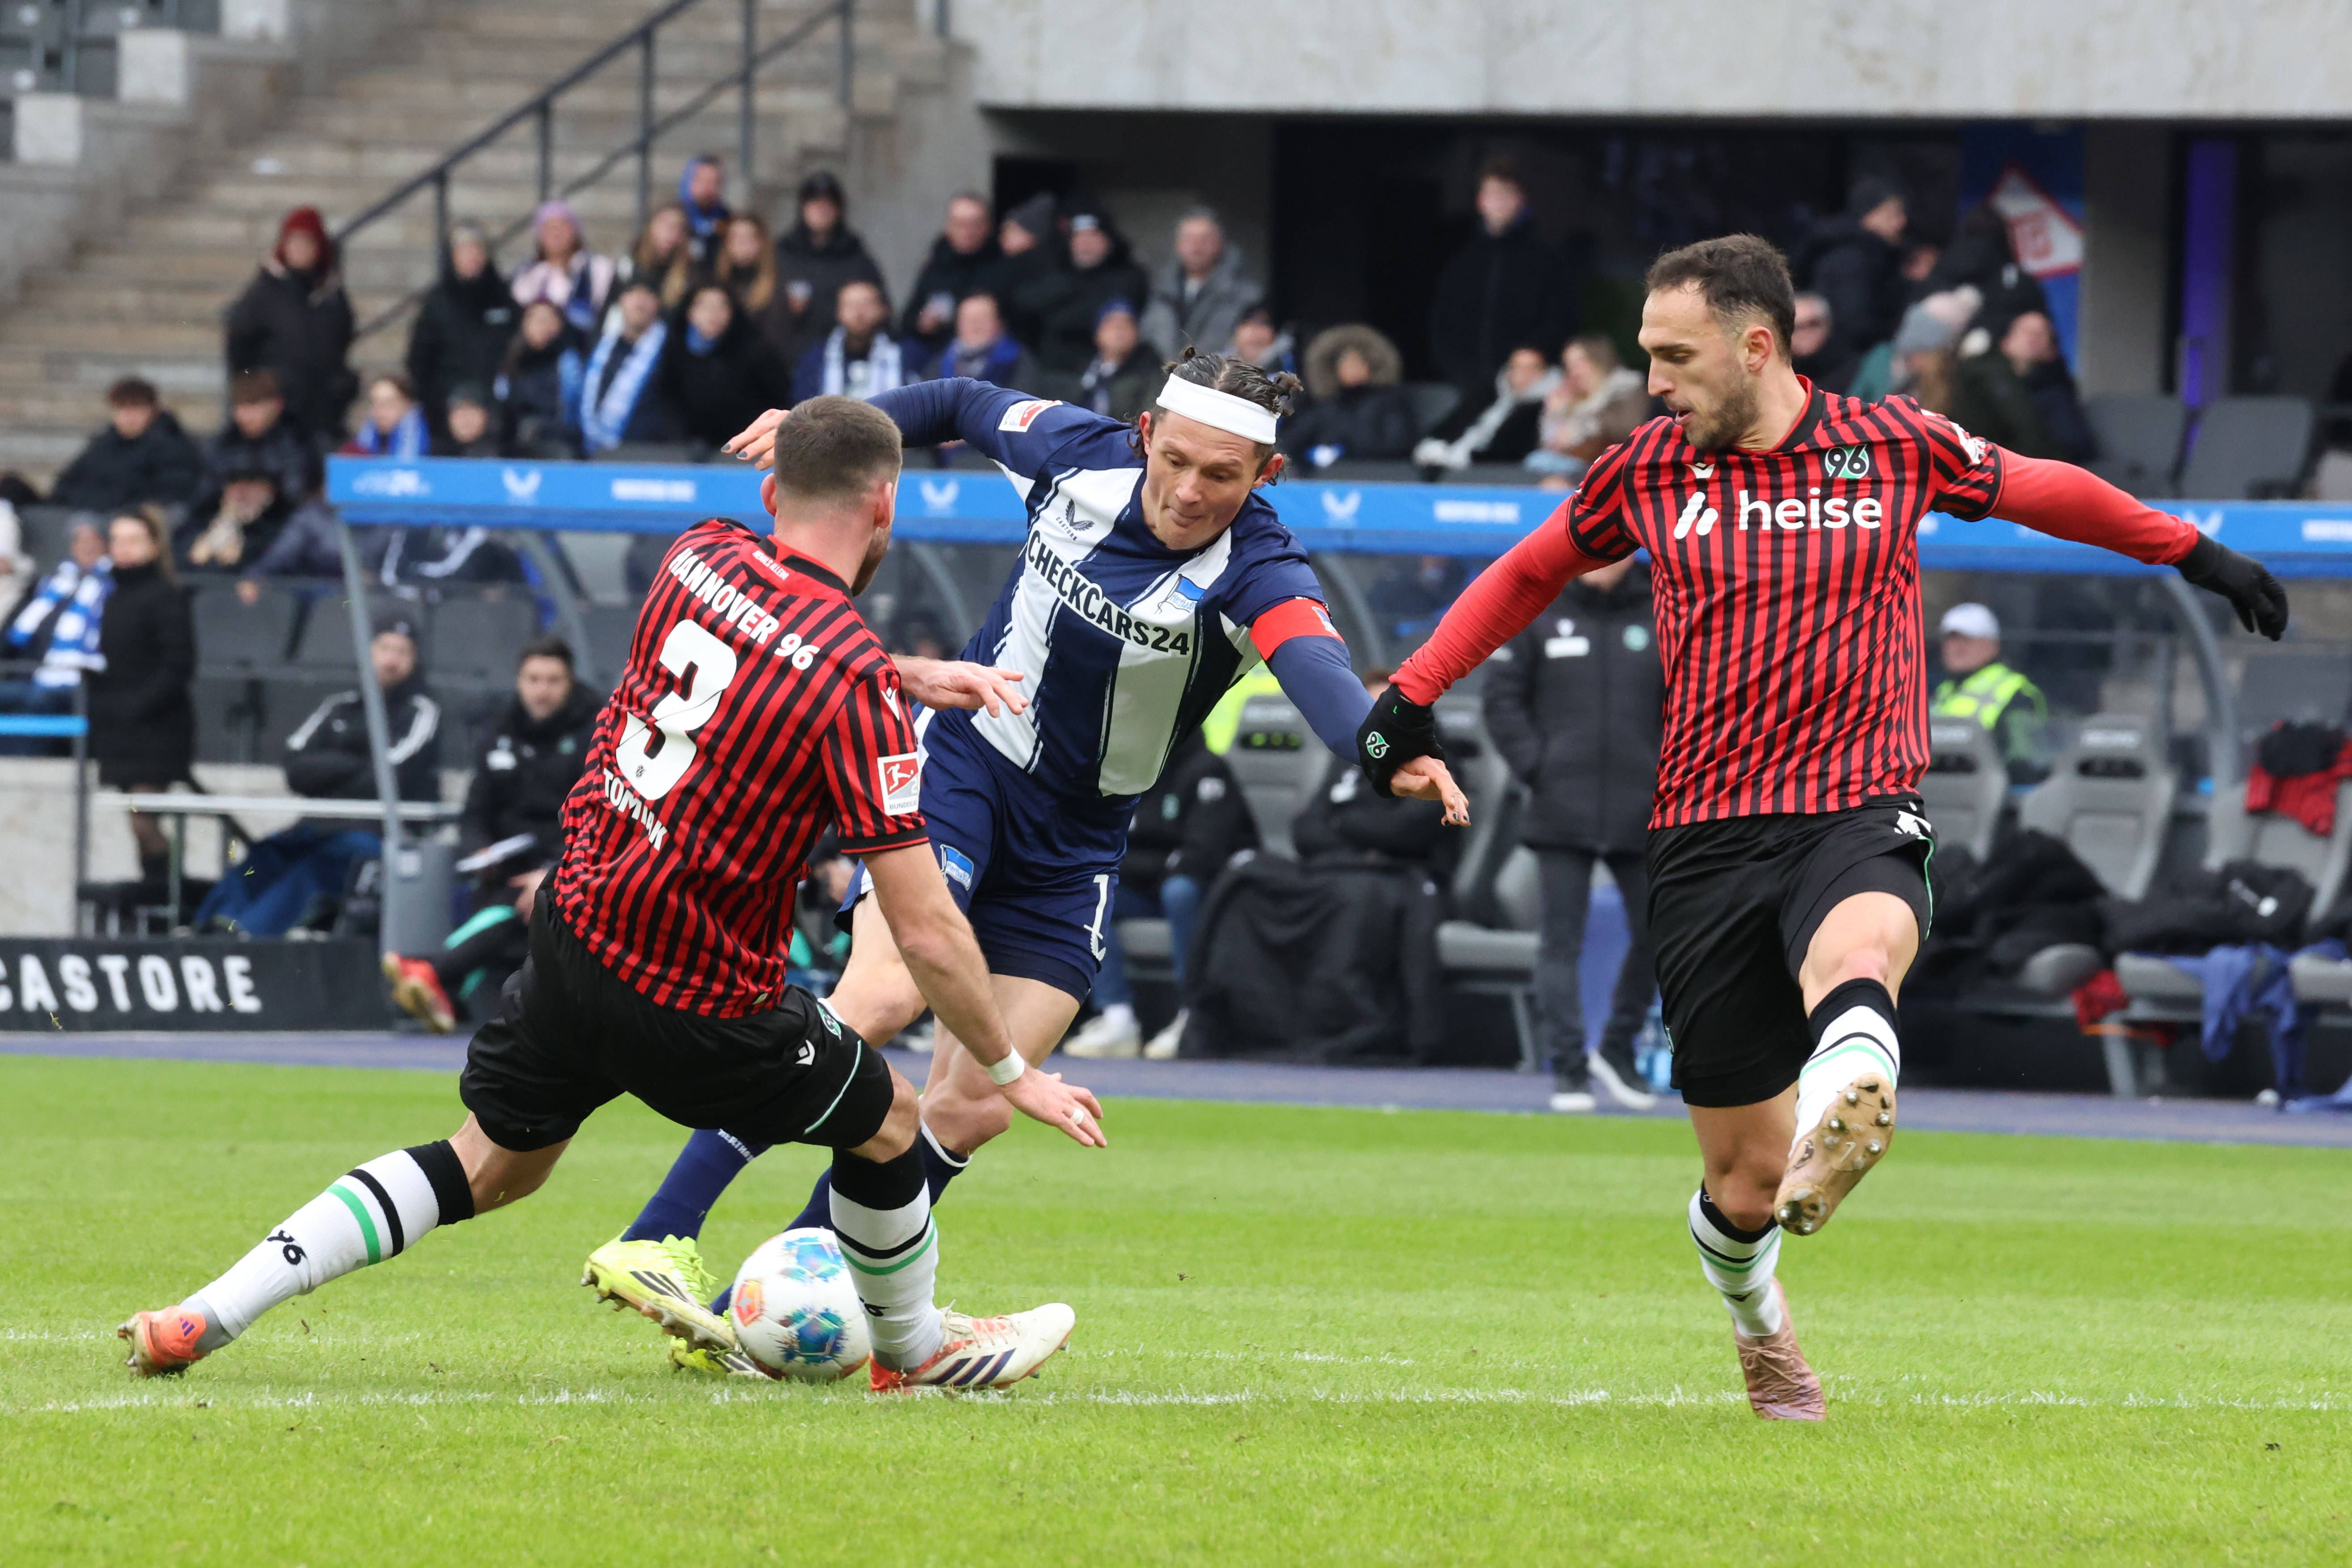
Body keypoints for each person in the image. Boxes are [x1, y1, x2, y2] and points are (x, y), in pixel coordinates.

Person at [1354, 233, 2288, 1420]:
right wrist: (1412, 692)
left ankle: (1856, 1083)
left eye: (1674, 355)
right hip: (1700, 832)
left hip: (1856, 800)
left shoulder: (1890, 441)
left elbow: (2046, 486)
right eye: (1646, 355)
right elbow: (1526, 573)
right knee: (1744, 1180)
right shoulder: (1644, 468)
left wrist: (2194, 552)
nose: (1653, 379)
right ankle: (1762, 1319)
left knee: (1858, 949)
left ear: (1756, 345)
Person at [121, 397, 1106, 1392]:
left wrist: (903, 674)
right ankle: (914, 1345)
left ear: (771, 492)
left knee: (486, 1167)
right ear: (886, 506)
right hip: (702, 998)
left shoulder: (698, 553)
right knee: (891, 1119)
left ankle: (204, 1313)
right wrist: (1008, 1064)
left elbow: (773, 653)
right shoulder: (849, 679)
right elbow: (927, 924)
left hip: (574, 935)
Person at [578, 355, 1467, 1367]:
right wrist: (829, 424)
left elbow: (1315, 666)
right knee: (876, 1002)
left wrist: (1378, 750)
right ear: (1141, 432)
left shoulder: (1262, 567)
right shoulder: (1072, 454)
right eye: (1173, 459)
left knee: (971, 1103)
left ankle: (756, 1315)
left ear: (1265, 477)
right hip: (964, 766)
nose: (1188, 491)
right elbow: (956, 401)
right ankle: (660, 1232)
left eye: (1220, 476)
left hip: (1079, 843)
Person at [1480, 552, 1663, 1112]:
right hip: (1562, 806)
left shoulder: (1666, 605)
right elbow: (1502, 699)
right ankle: (1569, 1069)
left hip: (1647, 806)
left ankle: (1616, 1048)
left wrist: (1668, 772)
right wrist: (1541, 767)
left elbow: (1695, 699)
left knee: (1662, 936)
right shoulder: (1538, 604)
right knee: (1561, 941)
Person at [386, 636, 600, 1032]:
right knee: (497, 895)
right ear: (520, 681)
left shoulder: (596, 734)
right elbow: (475, 811)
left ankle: (434, 972)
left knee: (523, 900)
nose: (543, 690)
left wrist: (555, 872)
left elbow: (599, 818)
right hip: (507, 863)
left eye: (553, 680)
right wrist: (478, 850)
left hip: (571, 866)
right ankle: (446, 992)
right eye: (534, 679)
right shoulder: (500, 729)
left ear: (569, 683)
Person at [190, 611, 441, 939]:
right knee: (263, 856)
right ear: (368, 651)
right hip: (316, 827)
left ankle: (247, 937)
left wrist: (333, 764)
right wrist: (357, 759)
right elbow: (295, 769)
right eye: (384, 648)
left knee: (315, 868)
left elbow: (390, 777)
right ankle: (206, 930)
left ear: (415, 659)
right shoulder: (337, 706)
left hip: (375, 835)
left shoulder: (421, 711)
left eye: (402, 651)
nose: (391, 659)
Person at [1061, 725, 1255, 1059]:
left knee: (1180, 891)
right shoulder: (1128, 772)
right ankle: (1116, 1016)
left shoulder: (1206, 768)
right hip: (1146, 886)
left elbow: (1202, 854)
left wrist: (1139, 864)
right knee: (1091, 891)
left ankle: (1191, 1012)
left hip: (1204, 892)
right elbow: (1107, 845)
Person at [85, 508, 194, 889]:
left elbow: (178, 663)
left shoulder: (165, 595)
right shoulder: (114, 596)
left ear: (154, 545)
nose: (123, 549)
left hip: (156, 728)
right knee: (136, 818)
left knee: (143, 816)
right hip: (123, 727)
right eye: (117, 540)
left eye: (133, 540)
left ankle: (170, 892)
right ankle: (158, 892)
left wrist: (136, 705)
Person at [1427, 158, 1577, 409]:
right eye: (1493, 195)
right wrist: (1456, 371)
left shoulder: (1546, 262)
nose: (1500, 203)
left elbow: (1562, 318)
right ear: (1480, 201)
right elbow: (1442, 324)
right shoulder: (1460, 263)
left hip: (1525, 388)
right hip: (1463, 386)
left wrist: (1533, 353)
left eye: (1507, 194)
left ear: (1521, 200)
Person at [225, 206, 356, 442]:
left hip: (323, 415)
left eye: (307, 242)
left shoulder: (331, 296)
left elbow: (343, 342)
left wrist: (341, 386)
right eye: (293, 242)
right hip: (278, 416)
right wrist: (256, 392)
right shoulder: (262, 293)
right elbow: (239, 348)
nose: (299, 249)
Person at [0, 518, 109, 756]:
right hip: (35, 673)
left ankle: (23, 773)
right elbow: (15, 634)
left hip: (82, 678)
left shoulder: (112, 587)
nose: (86, 547)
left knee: (41, 700)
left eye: (93, 541)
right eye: (80, 541)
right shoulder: (51, 586)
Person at [404, 222, 516, 437]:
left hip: (496, 410)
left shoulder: (503, 298)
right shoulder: (437, 302)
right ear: (452, 256)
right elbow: (419, 360)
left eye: (477, 250)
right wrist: (441, 404)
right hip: (446, 412)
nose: (472, 257)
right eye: (464, 251)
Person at [660, 284, 794, 451]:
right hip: (681, 453)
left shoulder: (756, 354)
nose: (713, 314)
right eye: (704, 306)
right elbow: (665, 405)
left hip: (746, 452)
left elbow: (778, 403)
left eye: (721, 306)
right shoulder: (671, 352)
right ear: (689, 312)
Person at [771, 171, 885, 368]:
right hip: (789, 360)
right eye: (815, 203)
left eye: (829, 204)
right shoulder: (783, 252)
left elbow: (881, 308)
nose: (822, 210)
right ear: (803, 207)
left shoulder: (855, 253)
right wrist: (785, 306)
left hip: (842, 360)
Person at [1019, 206, 1150, 377]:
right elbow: (1025, 306)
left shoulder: (1128, 277)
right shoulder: (1054, 272)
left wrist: (1061, 314)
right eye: (1078, 236)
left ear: (1108, 240)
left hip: (1107, 372)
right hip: (1050, 370)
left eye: (1093, 236)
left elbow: (1107, 318)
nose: (1085, 243)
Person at [48, 377, 208, 516]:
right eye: (123, 409)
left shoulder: (172, 445)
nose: (130, 417)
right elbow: (67, 485)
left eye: (137, 409)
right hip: (98, 515)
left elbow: (171, 492)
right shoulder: (102, 446)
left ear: (153, 410)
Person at [1792, 178, 1908, 360]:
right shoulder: (1852, 260)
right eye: (1891, 215)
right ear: (1867, 217)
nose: (1901, 223)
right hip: (1846, 366)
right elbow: (1856, 323)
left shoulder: (1877, 255)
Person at [1931, 602, 2049, 780]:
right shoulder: (1944, 691)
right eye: (1952, 638)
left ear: (1994, 645)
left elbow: (2023, 762)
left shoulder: (2017, 692)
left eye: (1969, 639)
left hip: (1984, 796)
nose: (1958, 647)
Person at [1139, 207, 1263, 362]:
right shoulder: (1159, 293)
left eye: (1205, 239)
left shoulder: (1246, 296)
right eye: (1189, 239)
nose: (1196, 247)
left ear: (1220, 243)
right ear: (1178, 245)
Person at [1283, 324, 1418, 466]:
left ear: (1369, 367)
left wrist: (1345, 448)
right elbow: (1292, 441)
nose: (1353, 370)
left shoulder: (1390, 402)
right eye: (1347, 365)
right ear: (1337, 370)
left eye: (1358, 364)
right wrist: (1310, 457)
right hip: (1331, 480)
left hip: (1378, 476)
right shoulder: (1328, 406)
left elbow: (1399, 443)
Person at [573, 279, 678, 455]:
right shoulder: (600, 345)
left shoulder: (672, 349)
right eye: (633, 295)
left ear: (658, 304)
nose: (640, 302)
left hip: (648, 454)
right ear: (621, 301)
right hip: (594, 453)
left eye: (647, 296)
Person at [1413, 345, 1555, 471]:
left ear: (1542, 372)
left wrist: (1470, 458)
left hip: (1497, 470)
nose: (1520, 374)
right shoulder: (1491, 393)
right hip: (1457, 460)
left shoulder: (1546, 403)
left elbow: (1515, 450)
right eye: (1515, 367)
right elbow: (1456, 421)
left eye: (1528, 369)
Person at [1527, 334, 1650, 479]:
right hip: (1562, 466)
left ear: (1598, 360)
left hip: (1607, 468)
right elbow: (1549, 442)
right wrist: (1555, 414)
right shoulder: (1571, 397)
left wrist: (1579, 432)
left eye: (1580, 362)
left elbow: (1626, 431)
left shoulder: (1625, 391)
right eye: (1569, 365)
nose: (1574, 371)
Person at [899, 192, 1001, 357]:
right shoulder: (936, 264)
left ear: (987, 226)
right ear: (949, 227)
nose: (968, 232)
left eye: (975, 224)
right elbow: (909, 318)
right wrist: (923, 323)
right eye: (961, 224)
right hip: (937, 354)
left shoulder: (1003, 265)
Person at [202, 369, 318, 509]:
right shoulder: (225, 443)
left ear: (277, 405)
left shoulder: (297, 443)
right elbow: (204, 493)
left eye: (253, 406)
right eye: (239, 406)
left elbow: (299, 494)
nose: (244, 415)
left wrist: (269, 494)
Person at [790, 279, 913, 404]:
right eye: (851, 306)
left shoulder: (905, 355)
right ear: (838, 312)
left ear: (883, 310)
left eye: (866, 305)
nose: (859, 314)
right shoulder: (816, 359)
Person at [1996, 310, 2094, 463]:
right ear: (2005, 342)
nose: (2033, 337)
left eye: (2041, 333)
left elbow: (2076, 447)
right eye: (2025, 331)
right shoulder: (1984, 387)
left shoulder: (2058, 394)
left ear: (2052, 350)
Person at [495, 299, 586, 457]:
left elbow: (572, 412)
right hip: (514, 444)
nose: (542, 326)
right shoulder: (510, 360)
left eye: (547, 320)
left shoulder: (568, 363)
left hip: (556, 444)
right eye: (535, 319)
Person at [509, 201, 614, 336]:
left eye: (563, 226)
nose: (556, 234)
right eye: (549, 228)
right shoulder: (528, 275)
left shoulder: (599, 268)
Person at [176, 463, 294, 577]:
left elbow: (269, 568)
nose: (242, 493)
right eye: (235, 484)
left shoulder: (281, 531)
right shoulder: (198, 524)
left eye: (251, 485)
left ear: (270, 494)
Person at [1057, 299, 1160, 422]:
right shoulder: (1077, 369)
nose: (1119, 330)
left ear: (1137, 334)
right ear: (1098, 333)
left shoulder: (1150, 373)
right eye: (1112, 324)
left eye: (1127, 324)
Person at [985, 192, 1060, 350]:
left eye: (1012, 231)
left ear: (1033, 236)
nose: (1003, 238)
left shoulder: (1043, 270)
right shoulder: (1003, 265)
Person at [929, 292, 1035, 388]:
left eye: (982, 319)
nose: (975, 325)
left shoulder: (1018, 362)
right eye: (968, 319)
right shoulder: (940, 363)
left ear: (999, 323)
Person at [616, 201, 698, 318]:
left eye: (677, 227)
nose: (670, 232)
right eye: (665, 224)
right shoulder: (630, 263)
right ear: (651, 226)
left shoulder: (690, 273)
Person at [340, 373, 430, 459]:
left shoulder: (433, 451)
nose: (380, 411)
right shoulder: (353, 452)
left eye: (388, 404)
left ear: (407, 405)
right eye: (374, 403)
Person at [1789, 293, 1858, 396]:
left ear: (1828, 324)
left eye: (1813, 324)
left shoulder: (1857, 371)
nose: (1805, 332)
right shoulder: (1782, 376)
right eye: (1796, 327)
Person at [676, 155, 729, 264]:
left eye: (714, 182)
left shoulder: (728, 220)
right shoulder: (675, 217)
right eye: (701, 180)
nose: (707, 188)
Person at [1225, 306, 1299, 380]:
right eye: (1249, 323)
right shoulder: (1216, 369)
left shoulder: (1283, 380)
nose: (1256, 333)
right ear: (1236, 331)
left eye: (1265, 324)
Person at [434, 385, 503, 458]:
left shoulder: (500, 457)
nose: (466, 420)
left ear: (486, 416)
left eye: (472, 412)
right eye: (460, 412)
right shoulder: (434, 455)